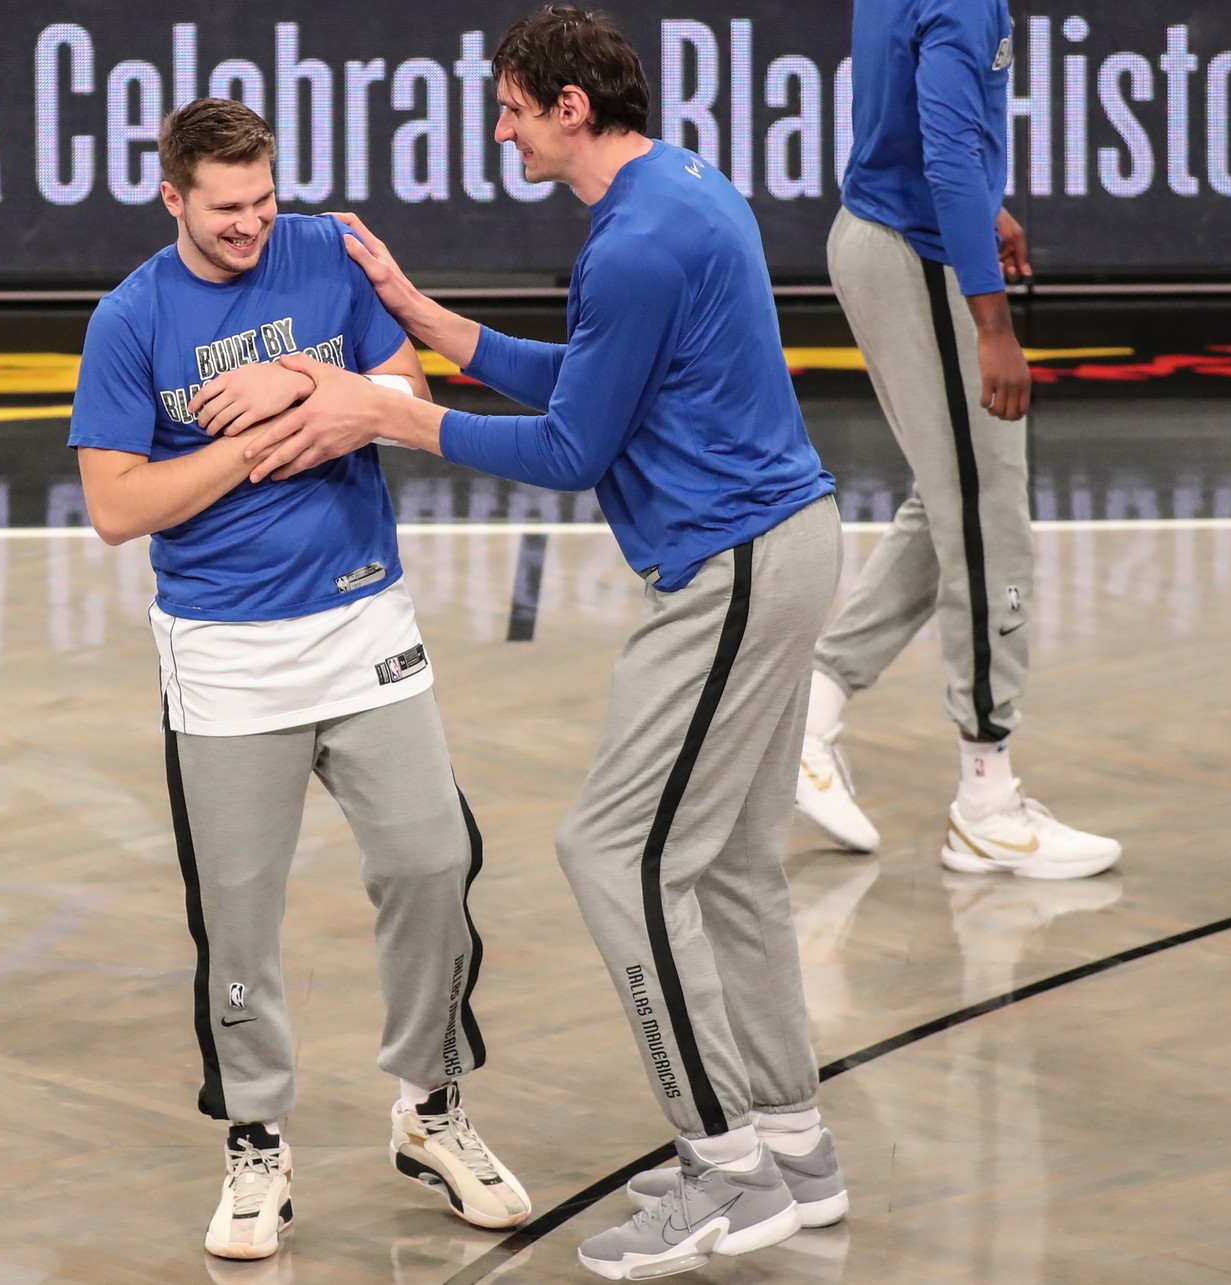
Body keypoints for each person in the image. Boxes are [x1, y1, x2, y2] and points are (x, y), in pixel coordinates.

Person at [190, 9, 847, 1279]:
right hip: (781, 545)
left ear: (568, 109)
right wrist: (420, 317)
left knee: (615, 855)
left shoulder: (640, 240)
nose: (498, 129)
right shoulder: (678, 191)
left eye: (509, 107)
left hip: (731, 568)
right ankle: (795, 1149)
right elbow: (600, 376)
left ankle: (726, 1170)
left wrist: (381, 412)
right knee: (730, 868)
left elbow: (570, 449)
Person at [68, 97, 529, 1263]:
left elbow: (401, 398)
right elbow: (121, 506)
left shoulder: (323, 250)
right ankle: (258, 1144)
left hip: (364, 619)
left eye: (264, 198)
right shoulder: (131, 320)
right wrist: (246, 445)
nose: (252, 225)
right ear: (172, 197)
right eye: (226, 208)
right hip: (223, 659)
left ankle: (431, 1109)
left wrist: (284, 383)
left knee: (434, 858)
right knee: (239, 917)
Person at [792, 0, 1122, 880]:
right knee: (988, 518)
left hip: (891, 235)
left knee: (955, 504)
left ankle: (812, 713)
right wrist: (993, 325)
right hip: (916, 256)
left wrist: (988, 204)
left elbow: (917, 120)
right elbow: (939, 152)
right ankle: (986, 797)